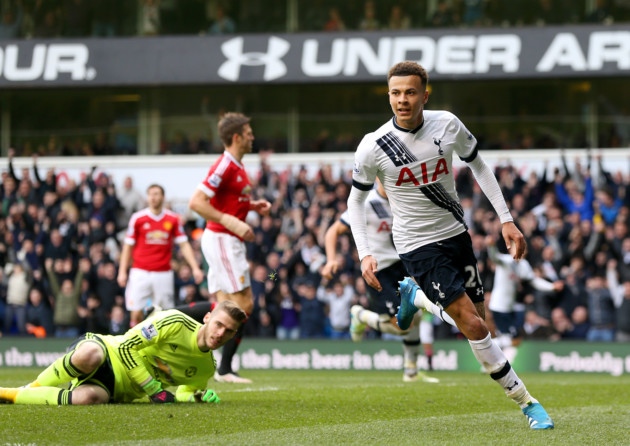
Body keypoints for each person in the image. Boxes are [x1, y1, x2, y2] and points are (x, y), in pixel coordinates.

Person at [346, 61, 554, 430]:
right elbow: (355, 202)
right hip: (416, 244)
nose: (402, 100)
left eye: (410, 92)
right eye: (395, 93)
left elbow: (479, 166)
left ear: (425, 95)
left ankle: (418, 299)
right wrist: (365, 253)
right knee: (473, 325)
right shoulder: (373, 146)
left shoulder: (447, 124)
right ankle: (528, 403)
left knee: (479, 319)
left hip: (457, 234)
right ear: (388, 95)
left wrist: (506, 219)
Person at [0, 301, 246, 405]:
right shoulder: (174, 322)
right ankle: (30, 388)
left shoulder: (207, 367)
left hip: (118, 390)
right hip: (109, 350)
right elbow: (128, 345)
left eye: (228, 331)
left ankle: (9, 396)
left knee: (86, 400)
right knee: (88, 356)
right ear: (207, 318)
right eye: (219, 325)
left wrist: (196, 398)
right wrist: (153, 389)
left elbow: (183, 392)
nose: (220, 333)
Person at [322, 179, 440, 382]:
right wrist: (331, 259)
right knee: (400, 325)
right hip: (379, 270)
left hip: (403, 266)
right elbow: (333, 231)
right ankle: (359, 315)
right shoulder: (366, 202)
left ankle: (411, 371)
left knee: (416, 316)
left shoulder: (402, 200)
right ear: (377, 178)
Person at [188, 112, 272, 384]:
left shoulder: (237, 166)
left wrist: (251, 206)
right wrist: (233, 223)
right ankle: (223, 367)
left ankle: (206, 361)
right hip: (223, 239)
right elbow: (197, 202)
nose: (252, 137)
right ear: (236, 137)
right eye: (248, 133)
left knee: (222, 306)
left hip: (225, 240)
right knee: (243, 304)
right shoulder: (225, 165)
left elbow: (229, 201)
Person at [117, 184, 204, 327]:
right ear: (147, 197)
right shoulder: (138, 219)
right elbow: (128, 246)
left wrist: (195, 268)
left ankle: (160, 346)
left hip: (163, 273)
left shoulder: (172, 219)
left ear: (163, 197)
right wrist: (122, 271)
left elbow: (184, 244)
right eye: (151, 194)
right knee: (136, 312)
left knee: (164, 314)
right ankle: (135, 344)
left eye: (157, 194)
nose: (153, 197)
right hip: (140, 272)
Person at [485, 235, 564, 348]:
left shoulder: (524, 266)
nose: (522, 250)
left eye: (523, 248)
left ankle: (493, 353)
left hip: (510, 307)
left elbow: (535, 281)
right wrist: (491, 246)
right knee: (510, 339)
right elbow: (494, 257)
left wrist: (552, 286)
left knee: (511, 339)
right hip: (499, 306)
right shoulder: (505, 261)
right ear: (511, 249)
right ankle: (486, 349)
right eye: (518, 247)